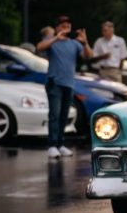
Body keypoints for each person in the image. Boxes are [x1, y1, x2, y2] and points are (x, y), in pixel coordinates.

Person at [36, 16, 92, 159]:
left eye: (67, 25)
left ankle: (60, 144)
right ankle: (52, 145)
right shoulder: (53, 43)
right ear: (57, 28)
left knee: (63, 115)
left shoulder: (74, 44)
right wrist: (56, 37)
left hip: (69, 84)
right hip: (55, 83)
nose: (65, 27)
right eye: (62, 25)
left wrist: (85, 43)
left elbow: (89, 56)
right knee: (54, 115)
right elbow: (39, 47)